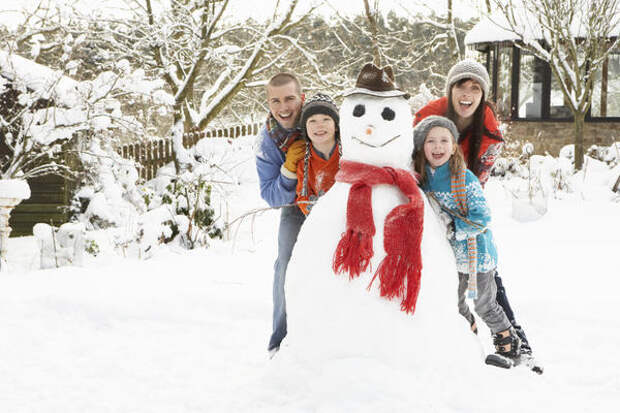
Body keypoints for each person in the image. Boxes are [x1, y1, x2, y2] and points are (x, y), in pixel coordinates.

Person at [414, 59, 532, 354]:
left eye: (475, 88)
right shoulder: (427, 120)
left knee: (486, 289)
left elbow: (475, 188)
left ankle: (515, 340)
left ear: (483, 95)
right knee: (449, 290)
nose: (467, 93)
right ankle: (463, 340)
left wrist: (457, 218)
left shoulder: (488, 134)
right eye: (461, 86)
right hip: (436, 209)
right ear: (450, 90)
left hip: (464, 217)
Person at [255, 73, 306, 356]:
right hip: (296, 206)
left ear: (301, 96)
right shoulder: (268, 141)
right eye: (276, 100)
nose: (283, 107)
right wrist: (288, 170)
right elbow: (272, 196)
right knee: (286, 263)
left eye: (289, 98)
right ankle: (279, 338)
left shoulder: (322, 118)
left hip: (332, 199)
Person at [294, 93, 341, 216]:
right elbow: (302, 197)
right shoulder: (304, 164)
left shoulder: (348, 154)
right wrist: (312, 208)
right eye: (312, 121)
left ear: (336, 126)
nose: (319, 125)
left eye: (326, 119)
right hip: (321, 221)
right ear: (305, 128)